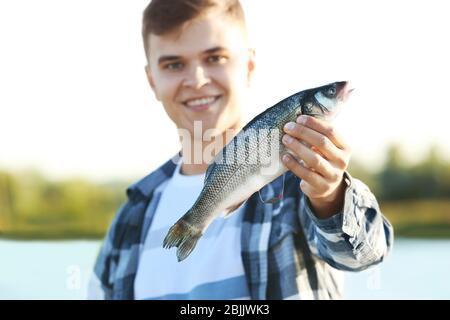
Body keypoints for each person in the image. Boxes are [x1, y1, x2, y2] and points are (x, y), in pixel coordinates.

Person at [88, 0, 393, 300]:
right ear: (152, 81)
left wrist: (330, 196)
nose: (197, 80)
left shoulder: (300, 180)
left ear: (248, 65)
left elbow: (365, 255)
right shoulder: (132, 216)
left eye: (215, 58)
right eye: (174, 64)